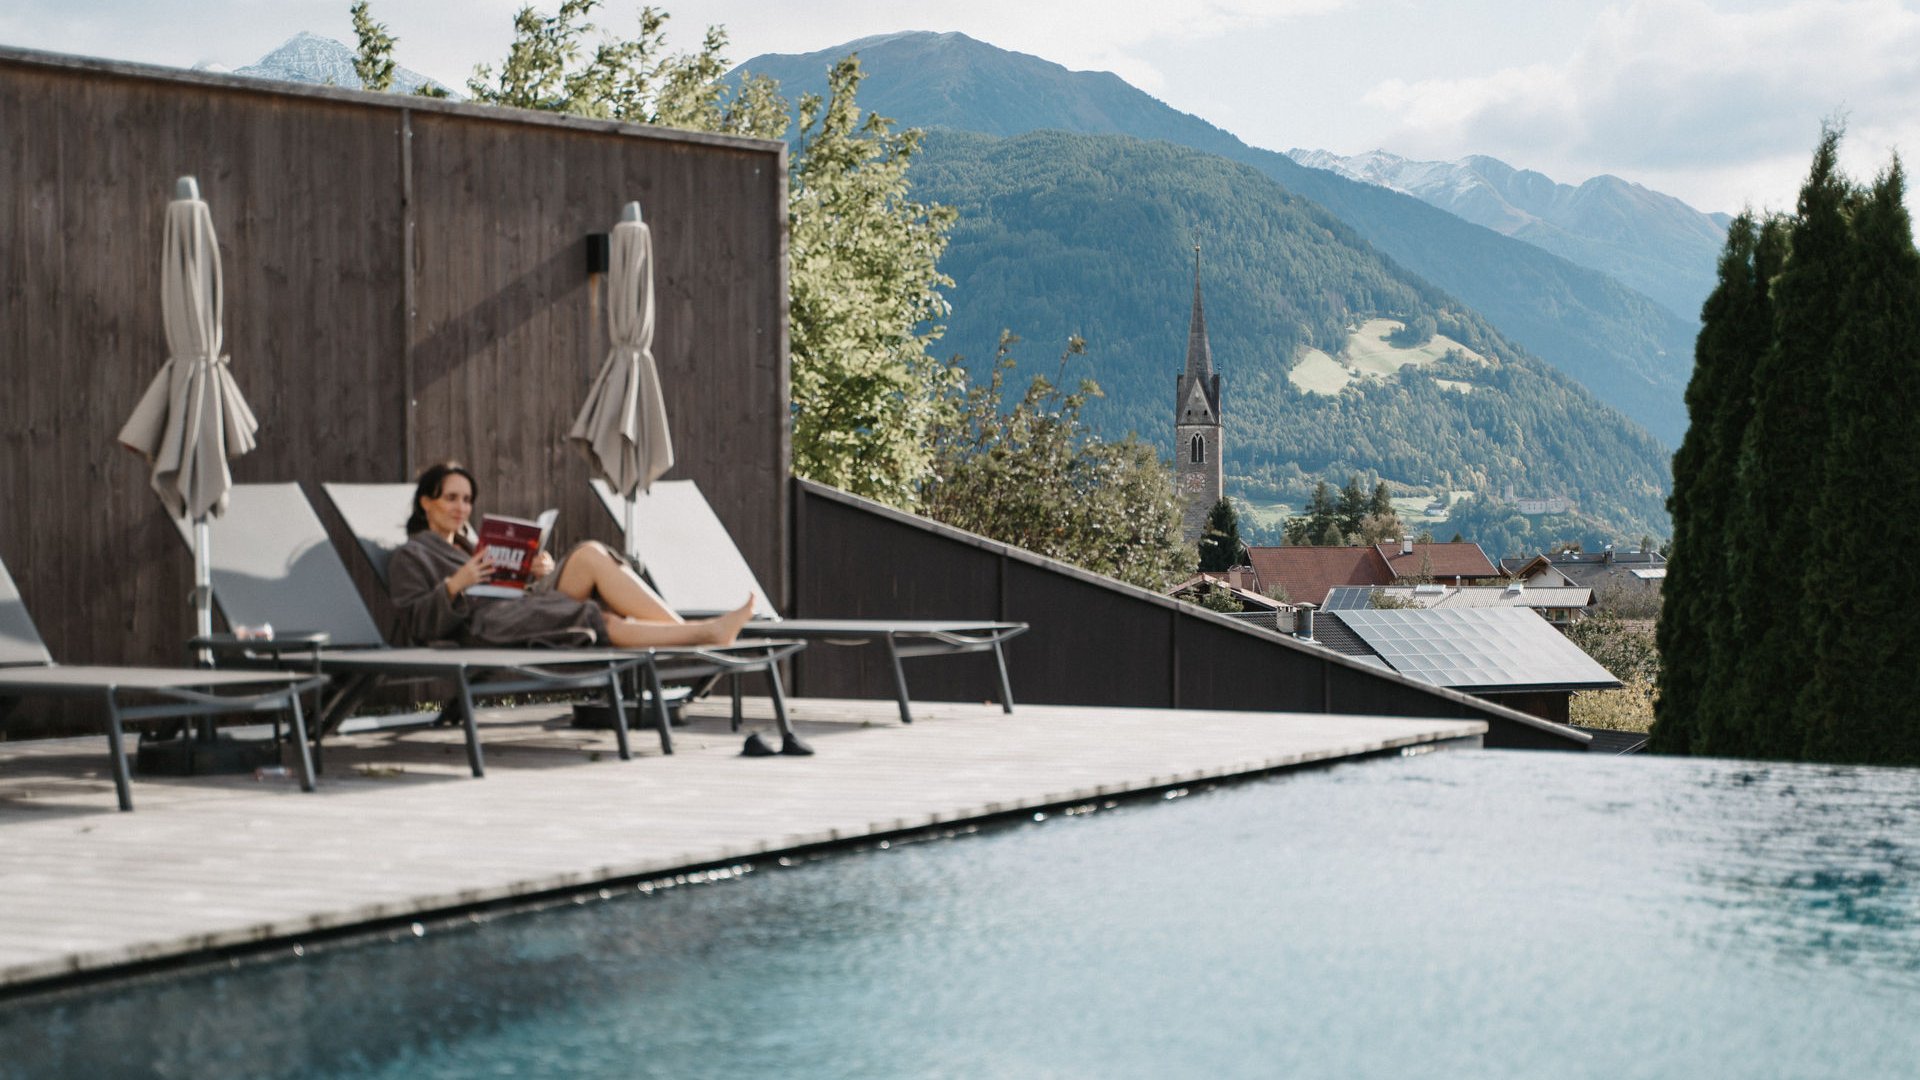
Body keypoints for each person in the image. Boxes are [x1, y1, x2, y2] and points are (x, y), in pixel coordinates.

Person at [387, 461, 754, 650]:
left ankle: (687, 631)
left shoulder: (470, 545)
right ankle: (704, 634)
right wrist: (454, 585)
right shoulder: (411, 556)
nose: (461, 507)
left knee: (590, 554)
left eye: (467, 499)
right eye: (451, 498)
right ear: (426, 502)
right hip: (486, 627)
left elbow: (504, 586)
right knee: (597, 620)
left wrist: (533, 570)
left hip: (518, 607)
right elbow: (416, 623)